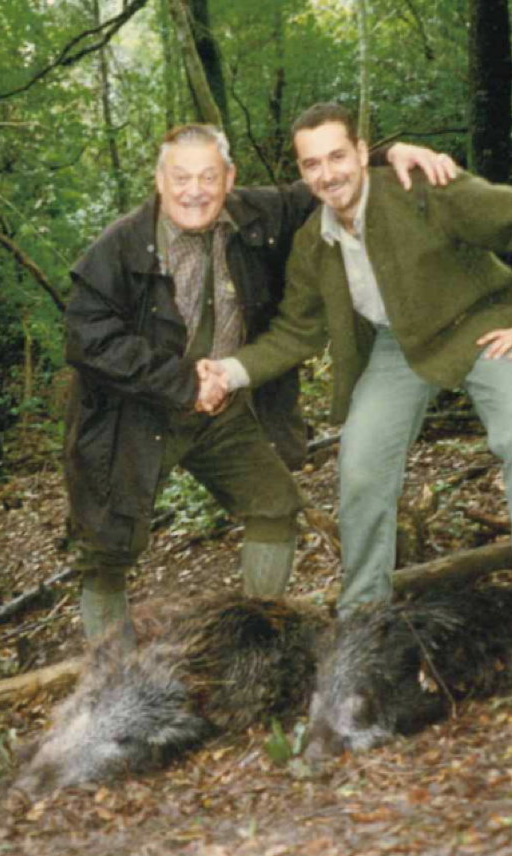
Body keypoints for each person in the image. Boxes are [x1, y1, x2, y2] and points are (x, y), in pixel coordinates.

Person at [201, 102, 512, 637]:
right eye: (312, 164)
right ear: (301, 172)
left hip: (480, 324)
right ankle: (363, 616)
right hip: (398, 347)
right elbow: (295, 331)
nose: (328, 174)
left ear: (363, 153)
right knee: (360, 463)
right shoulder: (313, 243)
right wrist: (229, 372)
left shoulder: (419, 189)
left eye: (338, 156)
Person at [62, 122, 457, 641]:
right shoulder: (119, 248)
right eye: (181, 178)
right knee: (105, 551)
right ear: (159, 181)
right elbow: (87, 339)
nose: (195, 191)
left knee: (274, 505)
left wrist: (388, 154)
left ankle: (253, 642)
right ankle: (112, 669)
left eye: (209, 176)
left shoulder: (257, 216)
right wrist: (182, 382)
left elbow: (320, 185)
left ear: (229, 178)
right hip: (133, 413)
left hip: (220, 410)